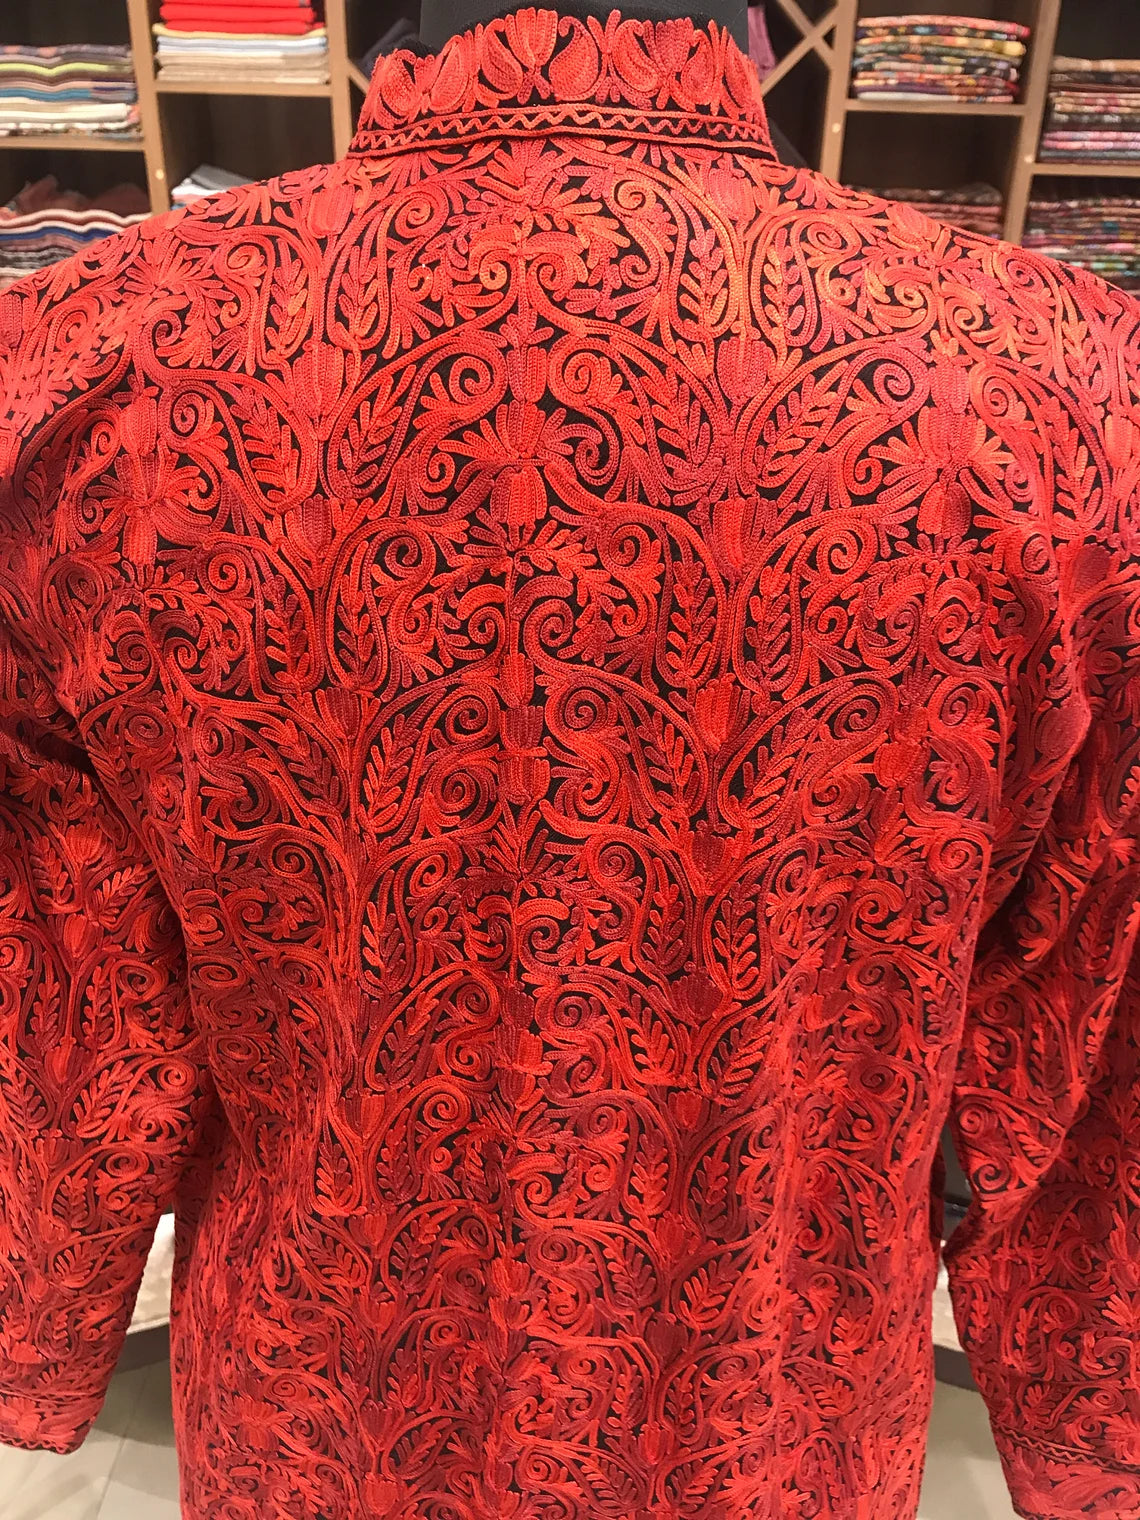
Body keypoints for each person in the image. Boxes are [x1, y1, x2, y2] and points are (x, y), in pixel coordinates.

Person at [0, 6, 1137, 1519]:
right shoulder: (1060, 385)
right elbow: (1083, 1022)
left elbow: (70, 1002)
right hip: (774, 1426)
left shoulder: (92, 366)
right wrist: (1082, 1407)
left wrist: (42, 1317)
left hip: (322, 1420)